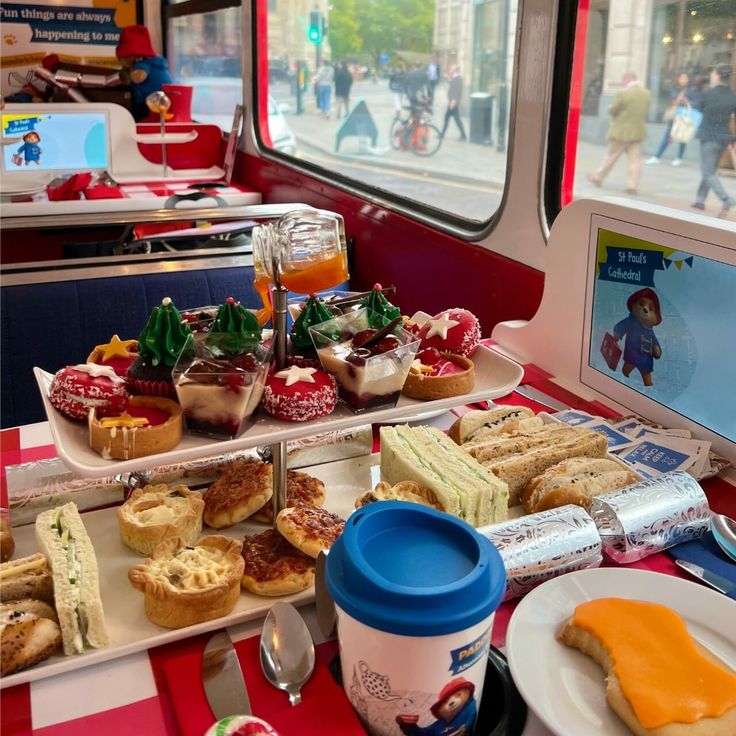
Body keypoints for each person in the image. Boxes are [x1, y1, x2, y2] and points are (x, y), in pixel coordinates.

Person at [587, 71, 650, 195]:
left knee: (610, 156)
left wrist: (611, 109)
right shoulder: (646, 94)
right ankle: (632, 185)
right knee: (635, 160)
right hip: (637, 132)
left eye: (623, 81)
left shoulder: (623, 93)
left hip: (621, 131)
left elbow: (614, 109)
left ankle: (598, 178)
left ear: (626, 80)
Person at [691, 63, 736, 218]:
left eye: (712, 73)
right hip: (724, 137)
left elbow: (698, 107)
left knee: (708, 171)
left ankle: (726, 199)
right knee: (710, 169)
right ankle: (700, 200)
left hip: (709, 137)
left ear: (717, 76)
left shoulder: (709, 94)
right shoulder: (732, 95)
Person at [116, 25, 173, 122]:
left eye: (124, 58)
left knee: (135, 116)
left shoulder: (142, 64)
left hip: (154, 102)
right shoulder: (150, 62)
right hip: (160, 101)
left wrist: (128, 75)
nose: (122, 62)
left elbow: (137, 78)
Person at [646, 72, 701, 166]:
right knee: (669, 137)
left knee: (682, 138)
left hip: (685, 118)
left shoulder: (693, 90)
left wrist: (687, 102)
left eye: (685, 78)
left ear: (688, 79)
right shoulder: (676, 89)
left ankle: (679, 158)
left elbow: (697, 103)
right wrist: (679, 100)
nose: (683, 80)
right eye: (681, 78)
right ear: (678, 79)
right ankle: (657, 157)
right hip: (675, 117)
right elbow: (673, 101)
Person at [440, 66, 467, 141]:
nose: (449, 71)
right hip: (452, 102)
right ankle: (463, 135)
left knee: (452, 119)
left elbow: (457, 92)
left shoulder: (458, 79)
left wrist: (453, 101)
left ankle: (463, 135)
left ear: (454, 71)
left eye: (451, 70)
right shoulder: (455, 78)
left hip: (453, 103)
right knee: (451, 119)